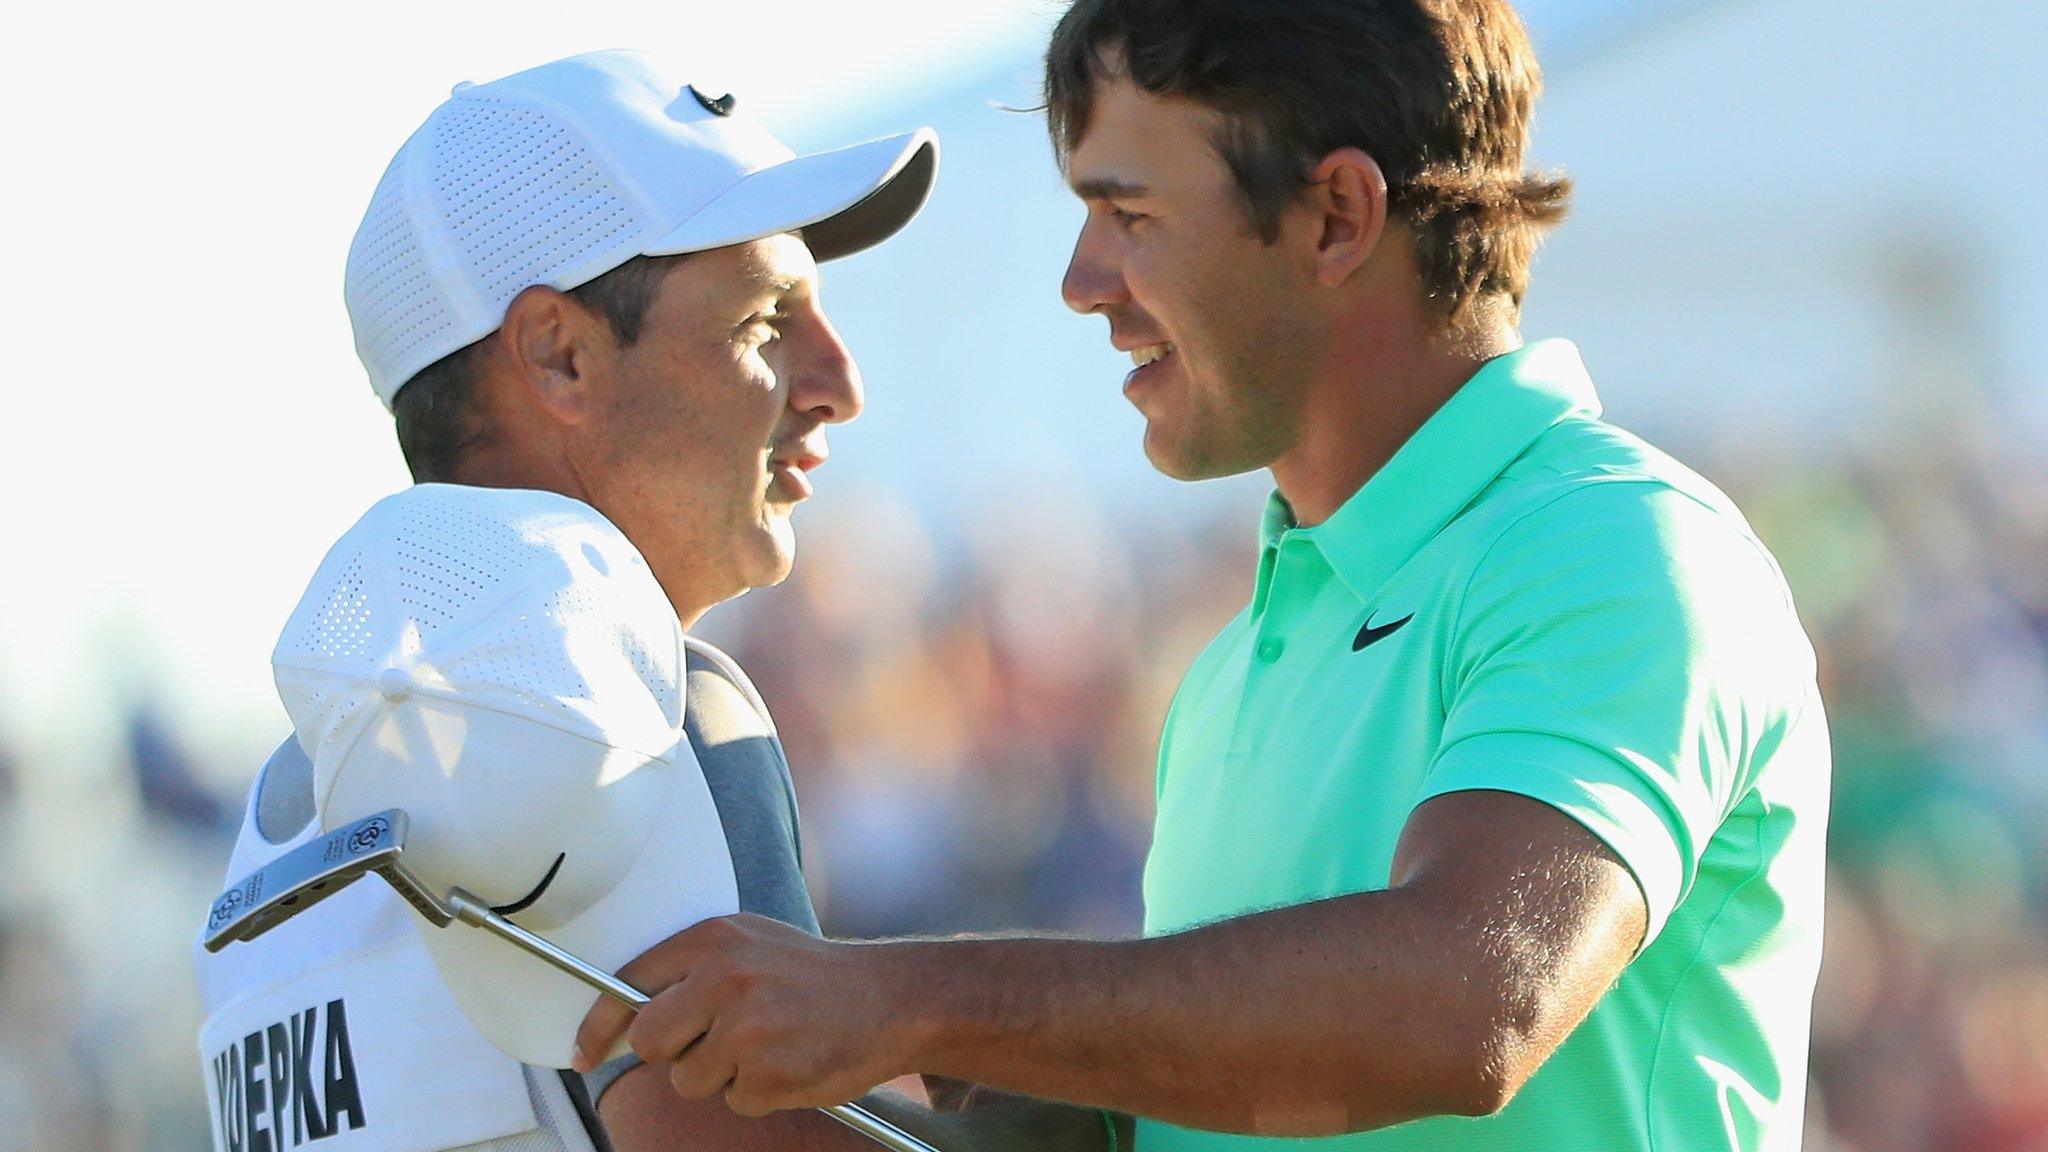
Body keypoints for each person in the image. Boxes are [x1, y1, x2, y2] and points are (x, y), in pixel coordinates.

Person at [573, 3, 1832, 1151]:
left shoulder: (1616, 547)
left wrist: (912, 1003)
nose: (1080, 284)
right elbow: (1290, 1078)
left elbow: (1467, 1005)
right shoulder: (1233, 667)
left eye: (1128, 216)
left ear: (1335, 216)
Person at [193, 48, 989, 1152]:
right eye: (765, 321)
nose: (837, 383)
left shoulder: (266, 843)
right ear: (557, 356)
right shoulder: (644, 718)